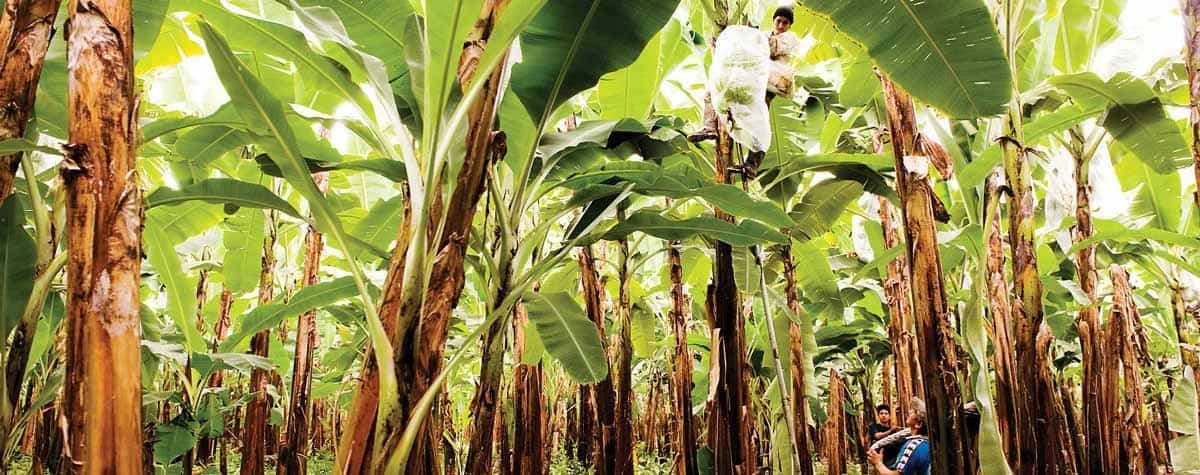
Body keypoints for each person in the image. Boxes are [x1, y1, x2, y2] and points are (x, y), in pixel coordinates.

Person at [868, 399, 931, 475]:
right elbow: (877, 436)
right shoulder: (926, 443)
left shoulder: (912, 445)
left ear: (918, 424)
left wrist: (878, 463)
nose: (909, 412)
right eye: (881, 413)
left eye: (913, 412)